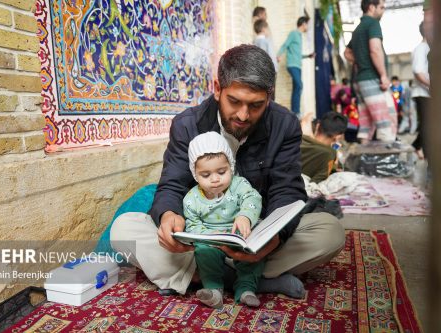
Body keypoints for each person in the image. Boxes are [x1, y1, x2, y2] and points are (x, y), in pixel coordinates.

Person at [110, 44, 344, 298]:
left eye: (256, 105)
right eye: (235, 101)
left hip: (255, 234)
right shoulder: (187, 124)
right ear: (217, 88)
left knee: (329, 232)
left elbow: (287, 190)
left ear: (270, 96)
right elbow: (172, 184)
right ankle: (247, 280)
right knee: (123, 229)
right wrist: (168, 215)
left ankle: (202, 277)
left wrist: (273, 239)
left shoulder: (284, 125)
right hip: (200, 237)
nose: (243, 115)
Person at [184, 132, 266, 308]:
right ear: (195, 175)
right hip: (213, 241)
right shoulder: (191, 199)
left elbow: (252, 198)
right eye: (205, 175)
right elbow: (192, 225)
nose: (215, 179)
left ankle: (246, 289)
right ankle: (214, 290)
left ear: (231, 166)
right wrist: (210, 235)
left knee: (254, 251)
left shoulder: (239, 184)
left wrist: (244, 216)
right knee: (203, 252)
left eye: (222, 172)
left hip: (241, 235)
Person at [344, 0, 397, 143]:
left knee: (366, 125)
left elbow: (347, 53)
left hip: (360, 81)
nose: (383, 10)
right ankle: (387, 162)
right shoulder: (373, 24)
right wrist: (383, 75)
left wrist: (361, 60)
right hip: (373, 79)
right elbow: (375, 49)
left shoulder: (358, 29)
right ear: (371, 7)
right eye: (381, 7)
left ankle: (363, 160)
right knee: (387, 123)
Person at [277, 16, 314, 116]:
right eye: (307, 24)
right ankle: (296, 112)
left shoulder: (300, 36)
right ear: (303, 24)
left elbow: (297, 54)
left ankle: (293, 112)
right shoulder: (293, 34)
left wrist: (308, 56)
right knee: (299, 85)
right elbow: (285, 45)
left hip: (298, 66)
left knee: (296, 88)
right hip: (292, 65)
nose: (308, 27)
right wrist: (279, 54)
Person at [301, 112, 348, 183]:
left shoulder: (298, 139)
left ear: (318, 126)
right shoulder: (329, 154)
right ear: (338, 137)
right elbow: (317, 184)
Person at [410, 22, 430, 159]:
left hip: (427, 93)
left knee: (428, 125)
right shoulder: (421, 49)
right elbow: (418, 71)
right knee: (427, 125)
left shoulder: (429, 48)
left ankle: (416, 146)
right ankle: (421, 149)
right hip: (423, 93)